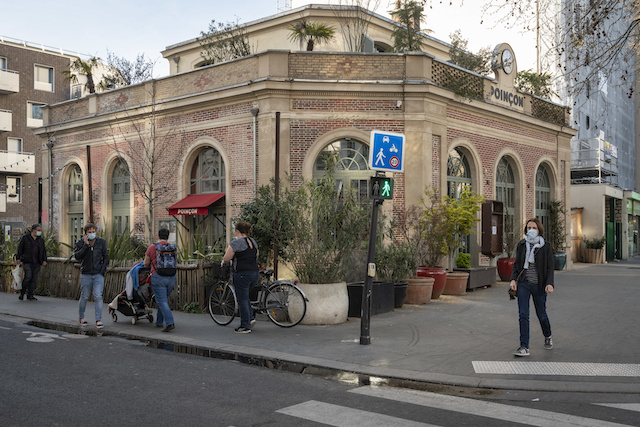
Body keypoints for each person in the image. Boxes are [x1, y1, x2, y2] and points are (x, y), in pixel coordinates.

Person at [509, 218, 554, 357]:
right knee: (523, 314)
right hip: (524, 284)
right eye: (529, 228)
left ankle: (547, 335)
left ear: (539, 230)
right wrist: (513, 279)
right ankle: (524, 347)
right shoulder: (522, 245)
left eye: (534, 228)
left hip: (539, 286)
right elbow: (517, 264)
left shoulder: (545, 246)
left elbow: (550, 266)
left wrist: (549, 283)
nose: (531, 230)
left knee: (541, 314)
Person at [222, 221, 259, 334]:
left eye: (234, 229)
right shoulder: (253, 241)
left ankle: (245, 326)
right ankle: (250, 318)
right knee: (245, 297)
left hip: (242, 274)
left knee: (242, 299)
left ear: (237, 231)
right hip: (254, 273)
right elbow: (256, 255)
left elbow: (227, 258)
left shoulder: (236, 243)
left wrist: (223, 261)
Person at [74, 223, 109, 329]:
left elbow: (105, 257)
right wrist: (86, 245)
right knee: (84, 296)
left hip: (98, 273)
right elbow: (77, 256)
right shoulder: (80, 243)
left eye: (93, 231)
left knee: (98, 296)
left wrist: (102, 271)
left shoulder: (101, 242)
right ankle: (81, 317)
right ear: (85, 233)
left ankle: (98, 319)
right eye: (89, 232)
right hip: (86, 273)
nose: (92, 234)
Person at [144, 228, 177, 332]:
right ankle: (159, 321)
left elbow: (146, 264)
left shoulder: (153, 247)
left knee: (161, 301)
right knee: (164, 300)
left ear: (158, 236)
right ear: (168, 236)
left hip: (158, 277)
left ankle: (170, 322)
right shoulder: (172, 247)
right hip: (171, 277)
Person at [16, 224, 48, 301]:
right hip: (27, 261)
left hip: (37, 261)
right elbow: (20, 248)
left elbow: (43, 251)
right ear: (34, 230)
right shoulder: (25, 238)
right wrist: (18, 258)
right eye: (38, 230)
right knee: (28, 276)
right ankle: (22, 293)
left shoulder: (40, 240)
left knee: (33, 278)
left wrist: (44, 260)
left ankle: (30, 295)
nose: (39, 232)